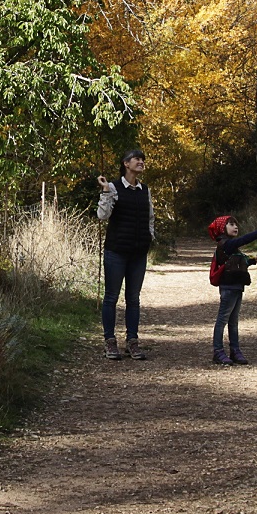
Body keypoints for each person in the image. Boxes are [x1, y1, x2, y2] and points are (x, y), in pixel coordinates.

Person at [96, 149, 154, 360]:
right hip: (116, 251)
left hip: (138, 253)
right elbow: (102, 215)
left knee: (133, 299)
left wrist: (150, 237)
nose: (141, 162)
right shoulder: (113, 187)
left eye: (142, 159)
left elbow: (150, 217)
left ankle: (132, 341)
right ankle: (110, 342)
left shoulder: (144, 189)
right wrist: (105, 191)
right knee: (111, 297)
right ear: (126, 163)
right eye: (137, 159)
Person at [209, 215, 257, 366]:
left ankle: (235, 351)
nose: (235, 227)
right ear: (223, 228)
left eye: (236, 224)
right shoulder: (225, 244)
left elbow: (235, 263)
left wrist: (251, 261)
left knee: (233, 322)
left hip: (236, 287)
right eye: (231, 224)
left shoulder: (232, 247)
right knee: (222, 320)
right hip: (228, 288)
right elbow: (245, 239)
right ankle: (218, 352)